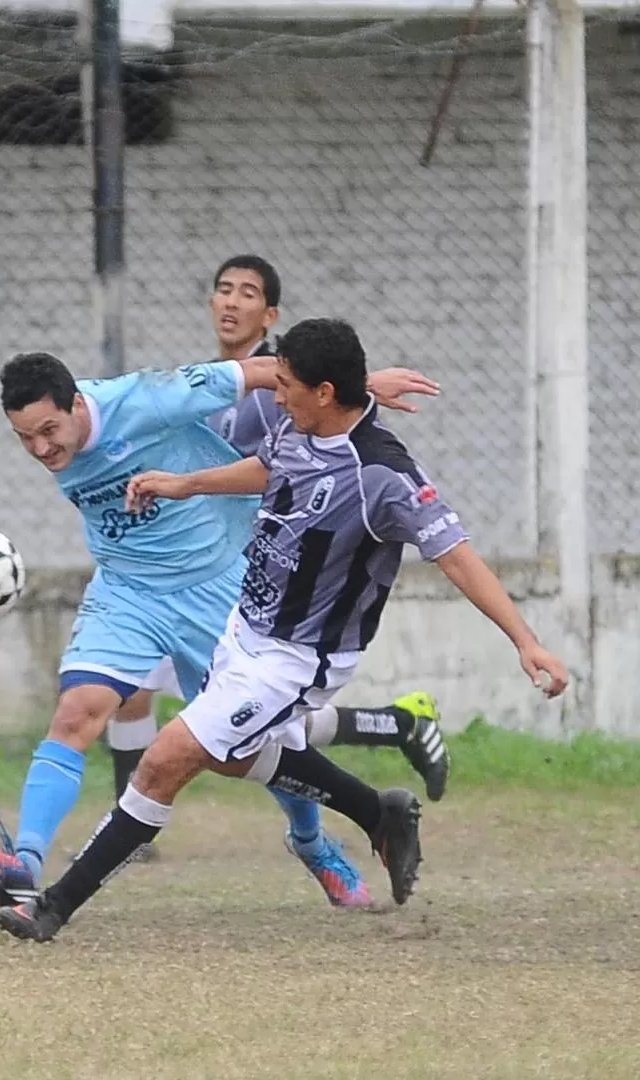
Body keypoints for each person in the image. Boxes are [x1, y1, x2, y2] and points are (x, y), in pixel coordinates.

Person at [0, 317, 568, 944]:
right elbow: (265, 469)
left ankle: (51, 907)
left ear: (323, 391)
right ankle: (378, 810)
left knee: (164, 761)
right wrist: (185, 484)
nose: (274, 392)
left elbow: (456, 554)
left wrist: (525, 639)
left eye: (286, 381)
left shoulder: (384, 475)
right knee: (236, 755)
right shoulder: (300, 429)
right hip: (245, 624)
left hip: (299, 656)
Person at [0, 342, 438, 913]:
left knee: (248, 745)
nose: (42, 448)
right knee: (75, 713)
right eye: (26, 438)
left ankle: (315, 844)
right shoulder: (53, 439)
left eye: (49, 431)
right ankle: (26, 863)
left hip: (216, 585)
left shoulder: (147, 398)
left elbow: (260, 372)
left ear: (75, 405)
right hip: (127, 590)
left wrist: (359, 387)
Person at [107, 254, 451, 819]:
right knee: (184, 706)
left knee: (218, 717)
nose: (232, 301)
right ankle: (393, 734)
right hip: (203, 569)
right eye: (224, 289)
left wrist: (362, 387)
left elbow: (325, 408)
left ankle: (356, 792)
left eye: (248, 293)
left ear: (270, 316)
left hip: (257, 576)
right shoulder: (215, 385)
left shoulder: (279, 392)